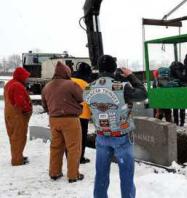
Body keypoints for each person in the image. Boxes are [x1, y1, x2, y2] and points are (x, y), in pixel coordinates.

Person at [84, 55, 147, 198]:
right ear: (114, 68)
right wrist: (131, 76)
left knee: (101, 174)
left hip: (101, 136)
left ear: (99, 69)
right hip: (122, 136)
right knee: (126, 175)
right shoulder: (121, 87)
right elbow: (142, 94)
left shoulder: (88, 88)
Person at [42, 61, 84, 183]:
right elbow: (81, 98)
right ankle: (73, 175)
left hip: (54, 120)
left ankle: (54, 172)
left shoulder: (47, 86)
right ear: (66, 72)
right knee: (73, 148)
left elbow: (44, 105)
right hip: (70, 119)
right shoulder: (71, 84)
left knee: (56, 147)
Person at [4, 67, 32, 166]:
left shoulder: (9, 83)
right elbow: (20, 101)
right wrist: (27, 110)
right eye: (25, 76)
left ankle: (17, 155)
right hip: (17, 115)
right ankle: (17, 160)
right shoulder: (17, 86)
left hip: (9, 113)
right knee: (19, 137)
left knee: (13, 136)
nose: (27, 79)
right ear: (20, 76)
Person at [71, 62, 92, 164]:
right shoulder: (86, 84)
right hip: (83, 114)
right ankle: (80, 157)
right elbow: (90, 100)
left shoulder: (69, 80)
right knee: (82, 137)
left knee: (71, 137)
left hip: (70, 114)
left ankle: (71, 156)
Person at [170, 61, 186, 126]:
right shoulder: (181, 67)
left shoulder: (171, 68)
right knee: (182, 107)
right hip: (181, 89)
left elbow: (170, 78)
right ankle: (182, 122)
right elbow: (184, 77)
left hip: (174, 89)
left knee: (175, 107)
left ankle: (176, 122)